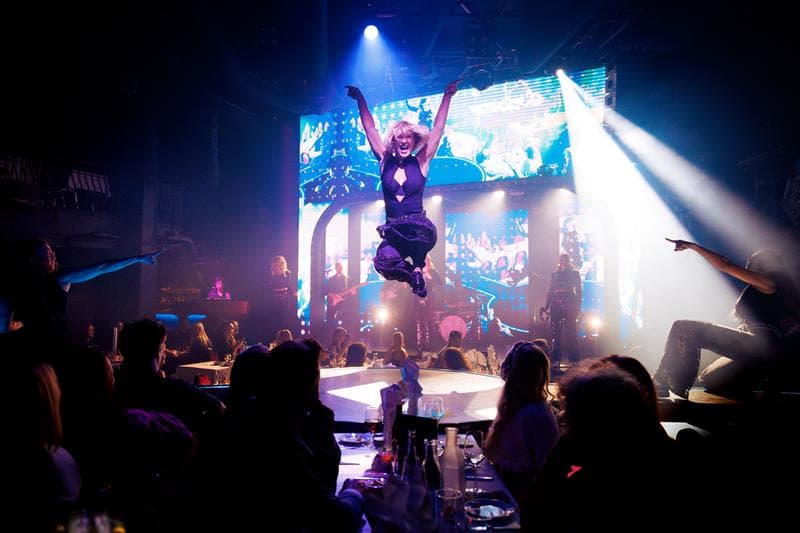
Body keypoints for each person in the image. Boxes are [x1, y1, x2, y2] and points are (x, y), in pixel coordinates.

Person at [346, 80, 459, 298]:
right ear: (394, 142)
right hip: (394, 231)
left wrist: (447, 97)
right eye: (400, 138)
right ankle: (413, 275)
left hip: (416, 229)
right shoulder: (384, 160)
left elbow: (437, 129)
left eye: (408, 137)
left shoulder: (421, 161)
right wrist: (361, 100)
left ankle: (418, 265)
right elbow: (370, 129)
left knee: (421, 229)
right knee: (383, 262)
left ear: (414, 140)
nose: (404, 141)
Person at [653, 239, 800, 399]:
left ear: (767, 265)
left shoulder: (770, 283)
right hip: (758, 352)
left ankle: (661, 382)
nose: (748, 261)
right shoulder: (766, 291)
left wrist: (693, 246)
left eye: (754, 259)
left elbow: (724, 264)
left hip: (761, 347)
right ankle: (750, 386)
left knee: (684, 327)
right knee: (710, 378)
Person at [13, 239, 161, 342]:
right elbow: (102, 267)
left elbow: (103, 268)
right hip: (51, 343)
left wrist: (137, 259)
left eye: (51, 252)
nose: (52, 256)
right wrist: (137, 259)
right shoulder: (45, 281)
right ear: (32, 259)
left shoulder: (55, 278)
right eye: (46, 254)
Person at [483, 342, 558, 509]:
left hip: (522, 501)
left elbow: (548, 470)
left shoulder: (536, 414)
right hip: (508, 491)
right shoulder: (517, 406)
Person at [540, 253, 582, 368]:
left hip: (570, 303)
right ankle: (556, 359)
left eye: (565, 260)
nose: (563, 262)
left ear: (569, 262)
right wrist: (546, 307)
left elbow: (579, 292)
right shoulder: (555, 275)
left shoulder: (574, 274)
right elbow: (550, 291)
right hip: (556, 303)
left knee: (571, 332)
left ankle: (574, 359)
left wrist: (578, 307)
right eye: (561, 260)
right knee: (555, 333)